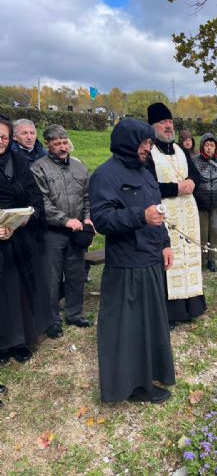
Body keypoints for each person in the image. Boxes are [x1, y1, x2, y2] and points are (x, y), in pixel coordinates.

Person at [89, 118, 175, 403]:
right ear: (128, 142)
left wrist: (165, 243)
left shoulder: (145, 173)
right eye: (144, 143)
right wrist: (140, 216)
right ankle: (131, 386)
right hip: (126, 264)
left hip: (150, 259)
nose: (148, 148)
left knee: (150, 324)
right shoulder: (105, 175)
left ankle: (149, 375)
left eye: (150, 143)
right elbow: (102, 220)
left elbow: (158, 211)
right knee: (128, 329)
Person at [146, 102, 206, 327]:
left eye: (170, 121)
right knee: (169, 261)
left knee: (189, 257)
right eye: (163, 122)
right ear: (153, 126)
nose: (168, 126)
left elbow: (196, 175)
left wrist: (192, 182)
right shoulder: (149, 152)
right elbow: (148, 185)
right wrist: (176, 188)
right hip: (165, 213)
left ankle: (191, 307)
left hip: (187, 214)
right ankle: (171, 313)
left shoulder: (181, 149)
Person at [31, 124, 93, 339]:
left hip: (77, 231)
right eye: (57, 144)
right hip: (52, 232)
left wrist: (87, 218)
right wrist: (65, 221)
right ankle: (52, 320)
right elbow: (42, 202)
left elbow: (87, 197)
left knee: (76, 274)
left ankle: (74, 313)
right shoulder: (38, 168)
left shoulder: (79, 167)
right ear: (47, 144)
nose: (63, 147)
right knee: (52, 278)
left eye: (65, 142)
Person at [0, 116, 51, 364]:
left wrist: (22, 219)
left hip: (18, 239)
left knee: (18, 292)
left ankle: (19, 341)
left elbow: (34, 198)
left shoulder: (18, 161)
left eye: (3, 137)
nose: (0, 141)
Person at [193, 133, 217, 272]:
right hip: (201, 202)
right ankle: (201, 259)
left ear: (216, 147)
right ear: (202, 146)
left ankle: (212, 259)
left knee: (214, 231)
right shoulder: (195, 161)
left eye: (212, 145)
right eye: (207, 145)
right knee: (202, 233)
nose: (209, 148)